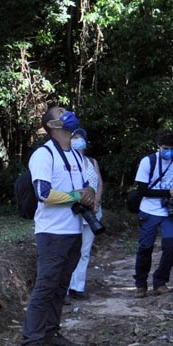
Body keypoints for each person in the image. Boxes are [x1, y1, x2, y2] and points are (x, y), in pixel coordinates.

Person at [20, 106, 94, 346]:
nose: (69, 113)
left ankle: (51, 332)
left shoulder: (74, 154)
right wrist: (75, 196)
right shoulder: (43, 154)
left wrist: (88, 193)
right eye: (61, 112)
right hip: (52, 232)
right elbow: (43, 192)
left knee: (61, 285)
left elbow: (84, 185)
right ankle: (31, 342)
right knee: (46, 286)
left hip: (73, 229)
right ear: (52, 125)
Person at [132, 130, 173, 298]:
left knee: (170, 247)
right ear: (159, 146)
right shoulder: (148, 161)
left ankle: (160, 281)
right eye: (165, 148)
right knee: (145, 248)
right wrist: (167, 193)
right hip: (149, 210)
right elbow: (142, 190)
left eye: (172, 148)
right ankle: (140, 284)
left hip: (170, 212)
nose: (168, 151)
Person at [67, 128, 103, 300]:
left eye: (80, 138)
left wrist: (97, 201)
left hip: (93, 211)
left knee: (85, 250)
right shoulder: (66, 161)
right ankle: (64, 287)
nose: (77, 140)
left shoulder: (92, 161)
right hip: (74, 211)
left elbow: (99, 184)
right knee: (69, 250)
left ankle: (77, 286)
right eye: (74, 137)